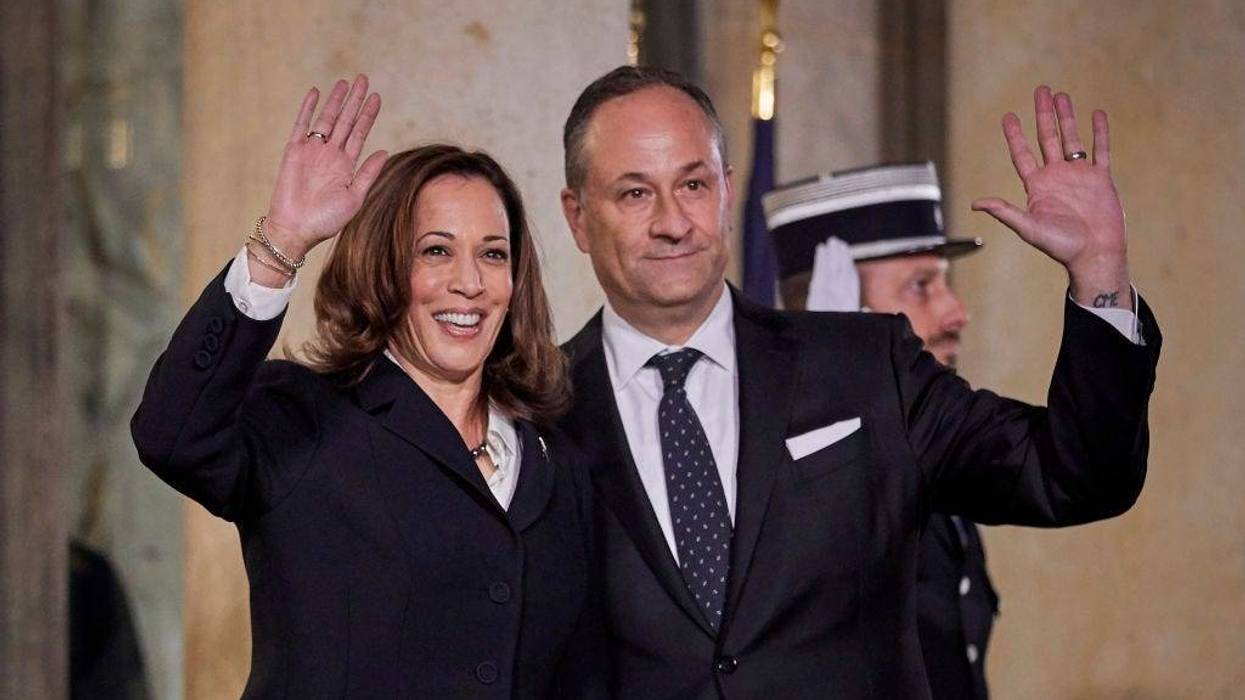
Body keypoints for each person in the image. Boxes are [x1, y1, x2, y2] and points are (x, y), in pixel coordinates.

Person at [556, 65, 1159, 698]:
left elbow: (1074, 476)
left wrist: (1100, 272)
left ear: (727, 193)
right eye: (634, 193)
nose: (673, 222)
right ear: (576, 217)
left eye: (694, 184)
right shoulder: (536, 412)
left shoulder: (866, 367)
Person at [131, 75, 599, 698]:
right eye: (435, 251)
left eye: (492, 254)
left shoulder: (555, 465)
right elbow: (171, 434)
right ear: (384, 267)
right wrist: (283, 242)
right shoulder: (305, 420)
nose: (469, 282)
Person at [764, 161, 1012, 700]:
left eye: (944, 283)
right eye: (921, 287)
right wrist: (829, 387)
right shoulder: (771, 466)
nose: (956, 312)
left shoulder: (930, 440)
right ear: (845, 311)